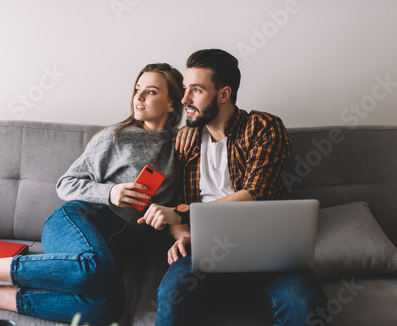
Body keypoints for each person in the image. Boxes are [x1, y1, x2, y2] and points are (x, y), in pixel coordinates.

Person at [0, 63, 188, 325]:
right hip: (79, 220)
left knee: (106, 307)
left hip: (118, 245)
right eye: (137, 90)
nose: (138, 98)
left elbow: (176, 205)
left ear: (172, 102)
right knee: (93, 267)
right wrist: (110, 192)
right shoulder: (116, 136)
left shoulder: (182, 148)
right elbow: (66, 183)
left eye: (150, 92)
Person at [138, 49, 328, 326]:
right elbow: (173, 201)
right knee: (173, 292)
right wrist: (184, 235)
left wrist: (182, 213)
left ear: (224, 94)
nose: (185, 99)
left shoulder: (262, 126)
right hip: (203, 248)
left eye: (196, 90)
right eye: (184, 89)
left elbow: (256, 193)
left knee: (303, 302)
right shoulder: (184, 143)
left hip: (269, 250)